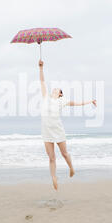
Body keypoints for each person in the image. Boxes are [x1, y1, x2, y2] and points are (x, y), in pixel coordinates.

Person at [39, 59, 97, 190]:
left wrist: (90, 101)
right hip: (47, 131)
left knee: (64, 154)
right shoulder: (45, 97)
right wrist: (41, 68)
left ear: (60, 94)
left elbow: (77, 103)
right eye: (53, 89)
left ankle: (71, 168)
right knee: (51, 157)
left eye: (57, 89)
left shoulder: (62, 101)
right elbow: (42, 82)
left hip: (58, 130)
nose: (54, 89)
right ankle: (54, 178)